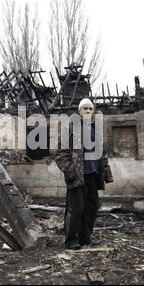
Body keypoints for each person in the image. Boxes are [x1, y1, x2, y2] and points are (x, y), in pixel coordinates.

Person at [55, 98, 113, 250]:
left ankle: (85, 238)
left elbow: (102, 153)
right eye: (84, 109)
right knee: (75, 209)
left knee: (91, 208)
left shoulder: (95, 129)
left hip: (93, 173)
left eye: (90, 109)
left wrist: (106, 172)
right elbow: (60, 153)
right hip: (77, 176)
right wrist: (70, 170)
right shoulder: (71, 128)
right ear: (79, 111)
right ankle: (71, 240)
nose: (88, 111)